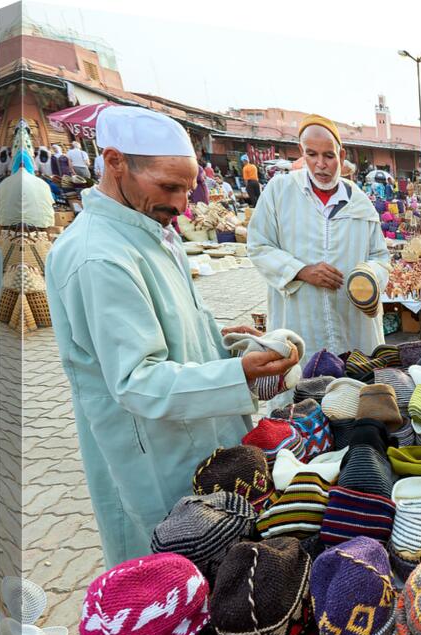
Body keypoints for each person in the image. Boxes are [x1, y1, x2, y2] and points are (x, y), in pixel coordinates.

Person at [45, 107, 299, 567]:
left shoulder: (152, 230)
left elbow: (165, 330)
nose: (183, 203)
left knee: (220, 552)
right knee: (173, 570)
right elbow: (136, 379)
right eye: (169, 186)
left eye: (187, 187)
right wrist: (236, 373)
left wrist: (220, 341)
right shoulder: (98, 257)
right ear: (115, 161)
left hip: (198, 434)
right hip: (153, 455)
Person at [248, 114, 391, 361]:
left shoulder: (359, 202)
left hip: (352, 322)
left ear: (341, 156)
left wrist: (369, 275)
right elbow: (259, 245)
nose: (320, 165)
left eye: (329, 156)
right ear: (301, 153)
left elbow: (380, 256)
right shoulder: (279, 192)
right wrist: (301, 270)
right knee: (303, 385)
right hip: (300, 320)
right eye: (312, 155)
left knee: (353, 387)